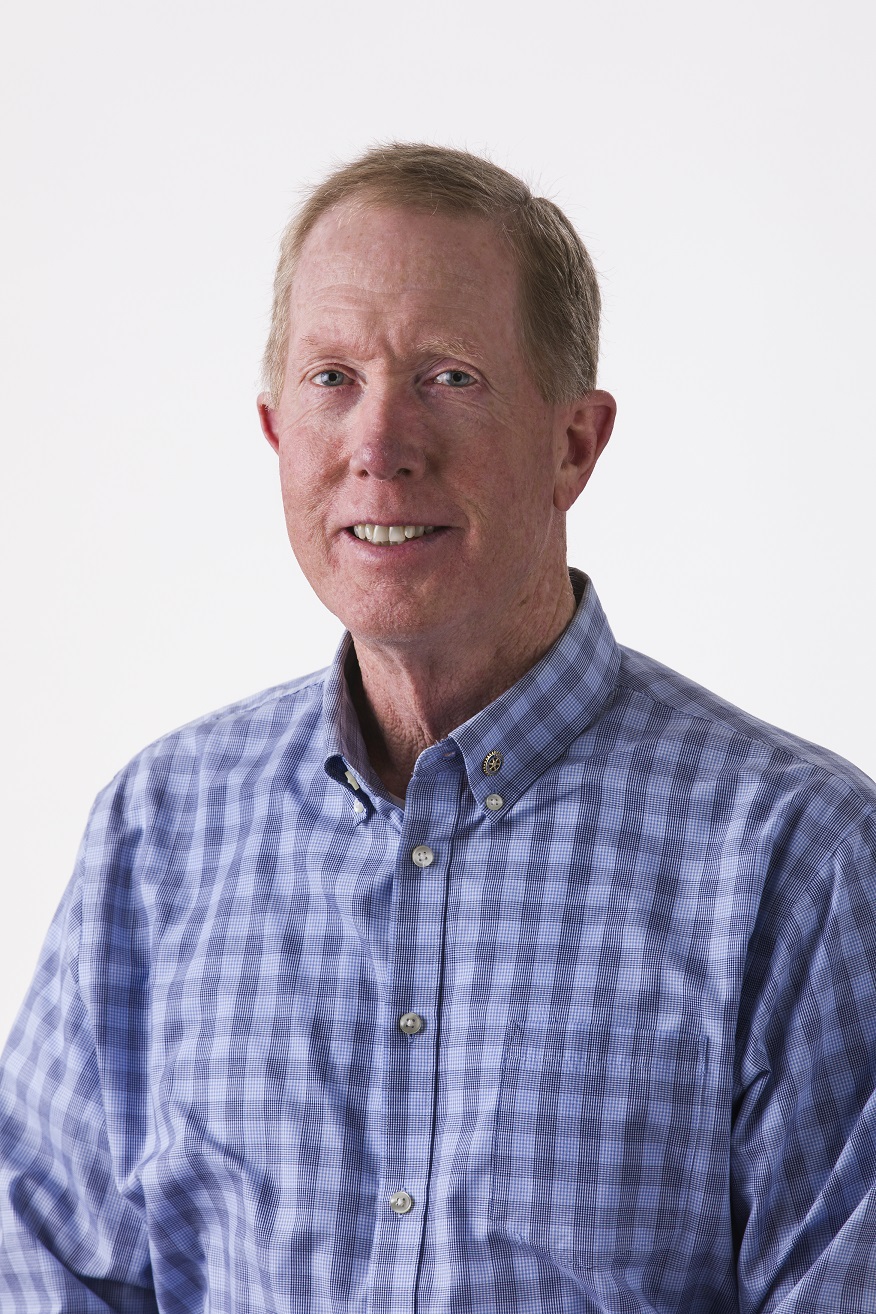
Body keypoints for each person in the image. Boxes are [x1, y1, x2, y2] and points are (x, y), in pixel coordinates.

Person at [1, 143, 875, 1314]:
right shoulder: (159, 831)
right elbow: (40, 1268)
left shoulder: (797, 860)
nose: (379, 443)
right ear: (275, 434)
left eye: (450, 377)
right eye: (332, 379)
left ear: (575, 444)